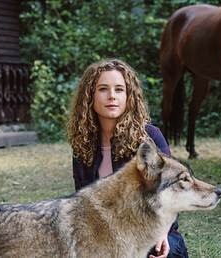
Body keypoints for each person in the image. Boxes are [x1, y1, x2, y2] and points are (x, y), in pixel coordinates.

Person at [67, 59, 189, 258]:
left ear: (129, 96)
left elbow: (173, 193)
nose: (112, 96)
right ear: (90, 96)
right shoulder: (83, 144)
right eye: (103, 89)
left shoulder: (149, 137)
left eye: (119, 89)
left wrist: (162, 232)